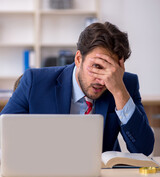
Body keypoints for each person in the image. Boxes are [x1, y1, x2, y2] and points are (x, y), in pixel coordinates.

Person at [0, 22, 154, 155]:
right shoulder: (35, 82)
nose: (102, 79)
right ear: (79, 59)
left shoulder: (125, 85)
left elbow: (144, 149)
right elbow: (2, 135)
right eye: (96, 66)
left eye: (110, 70)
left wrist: (119, 91)